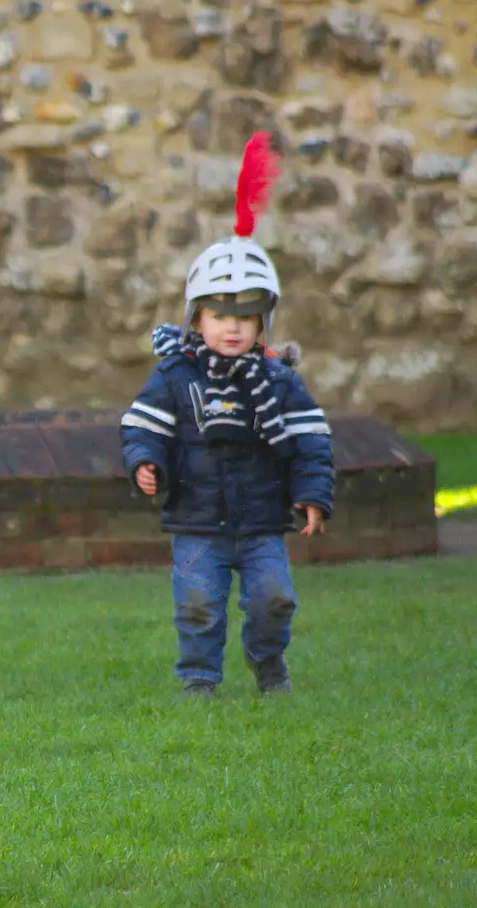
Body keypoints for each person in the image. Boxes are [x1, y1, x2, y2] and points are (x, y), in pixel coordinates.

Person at [119, 133, 335, 697]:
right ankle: (198, 679)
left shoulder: (281, 380)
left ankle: (268, 664)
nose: (233, 326)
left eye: (247, 315)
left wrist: (312, 494)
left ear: (266, 320)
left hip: (263, 521)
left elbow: (311, 442)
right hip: (197, 520)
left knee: (274, 599)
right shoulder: (175, 375)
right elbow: (143, 426)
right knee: (197, 605)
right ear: (196, 318)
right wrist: (146, 461)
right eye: (219, 314)